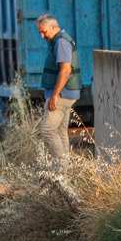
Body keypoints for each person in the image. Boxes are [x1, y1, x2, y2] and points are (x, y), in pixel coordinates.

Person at [36, 14, 80, 168]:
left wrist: (55, 95)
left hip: (62, 94)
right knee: (61, 132)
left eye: (44, 32)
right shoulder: (59, 39)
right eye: (39, 32)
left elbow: (65, 70)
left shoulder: (61, 42)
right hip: (67, 93)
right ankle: (65, 171)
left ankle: (60, 169)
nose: (42, 36)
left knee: (47, 130)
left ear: (54, 27)